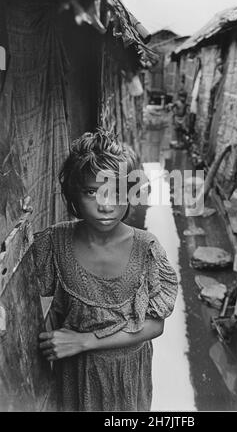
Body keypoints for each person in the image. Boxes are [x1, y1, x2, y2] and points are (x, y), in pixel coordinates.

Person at [32, 128, 178, 412]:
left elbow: (156, 324)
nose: (106, 205)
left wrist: (84, 341)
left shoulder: (146, 248)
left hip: (127, 378)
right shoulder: (54, 243)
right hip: (75, 376)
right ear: (73, 195)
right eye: (91, 192)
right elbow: (28, 301)